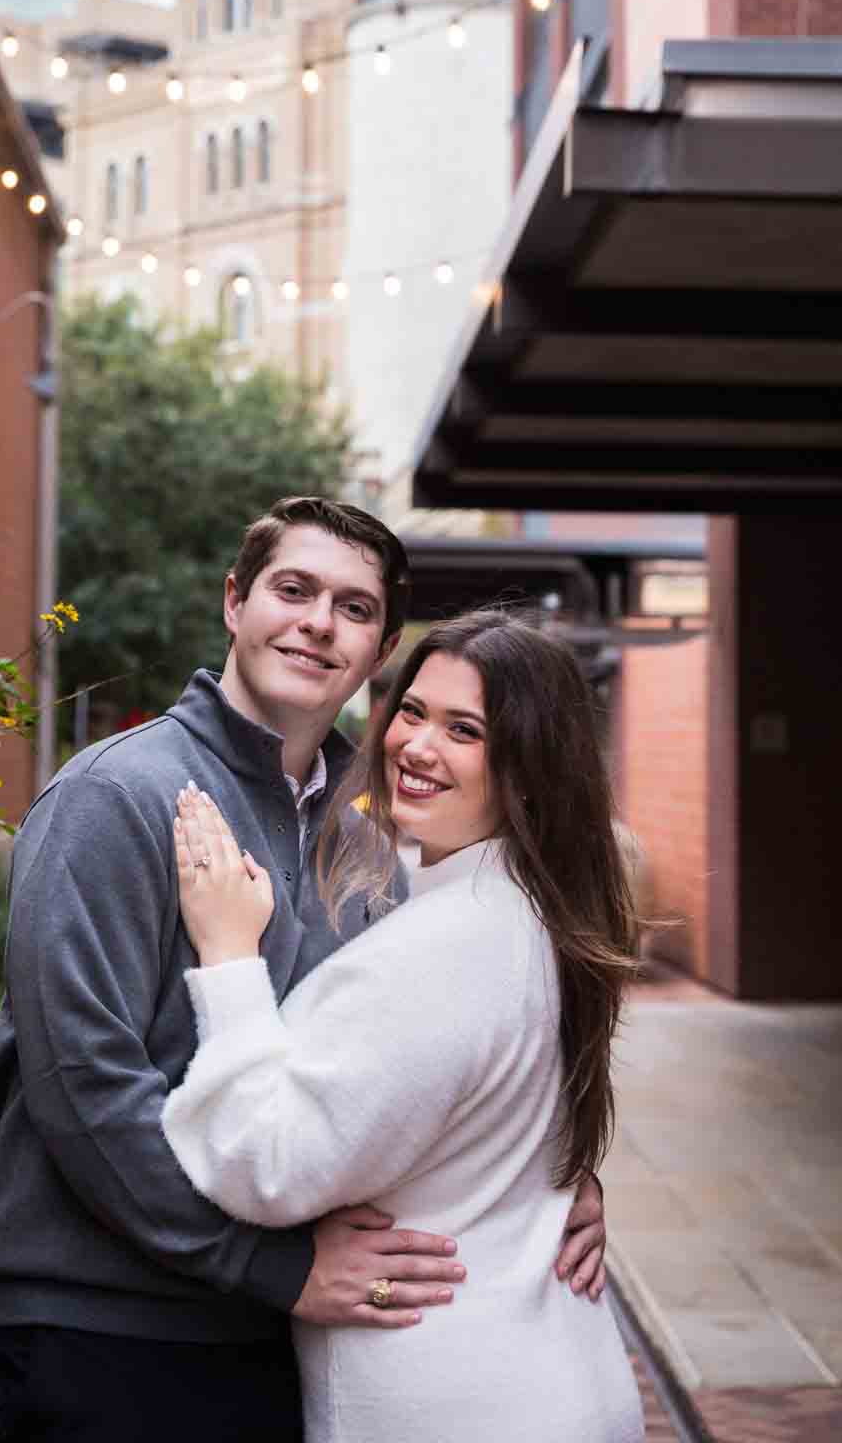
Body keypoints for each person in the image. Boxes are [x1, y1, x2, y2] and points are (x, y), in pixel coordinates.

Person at [0, 499, 610, 1443]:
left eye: (352, 608)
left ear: (381, 649)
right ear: (235, 603)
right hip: (108, 1323)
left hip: (281, 1329)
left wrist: (548, 1175)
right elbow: (78, 1080)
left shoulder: (383, 829)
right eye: (293, 590)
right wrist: (269, 1266)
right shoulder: (115, 796)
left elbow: (436, 1052)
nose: (318, 622)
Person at [163, 609, 645, 1443]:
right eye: (412, 711)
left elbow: (267, 1168)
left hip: (456, 1400)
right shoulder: (536, 915)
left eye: (465, 730)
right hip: (540, 1373)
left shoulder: (442, 949)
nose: (416, 746)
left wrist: (229, 956)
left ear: (529, 769)